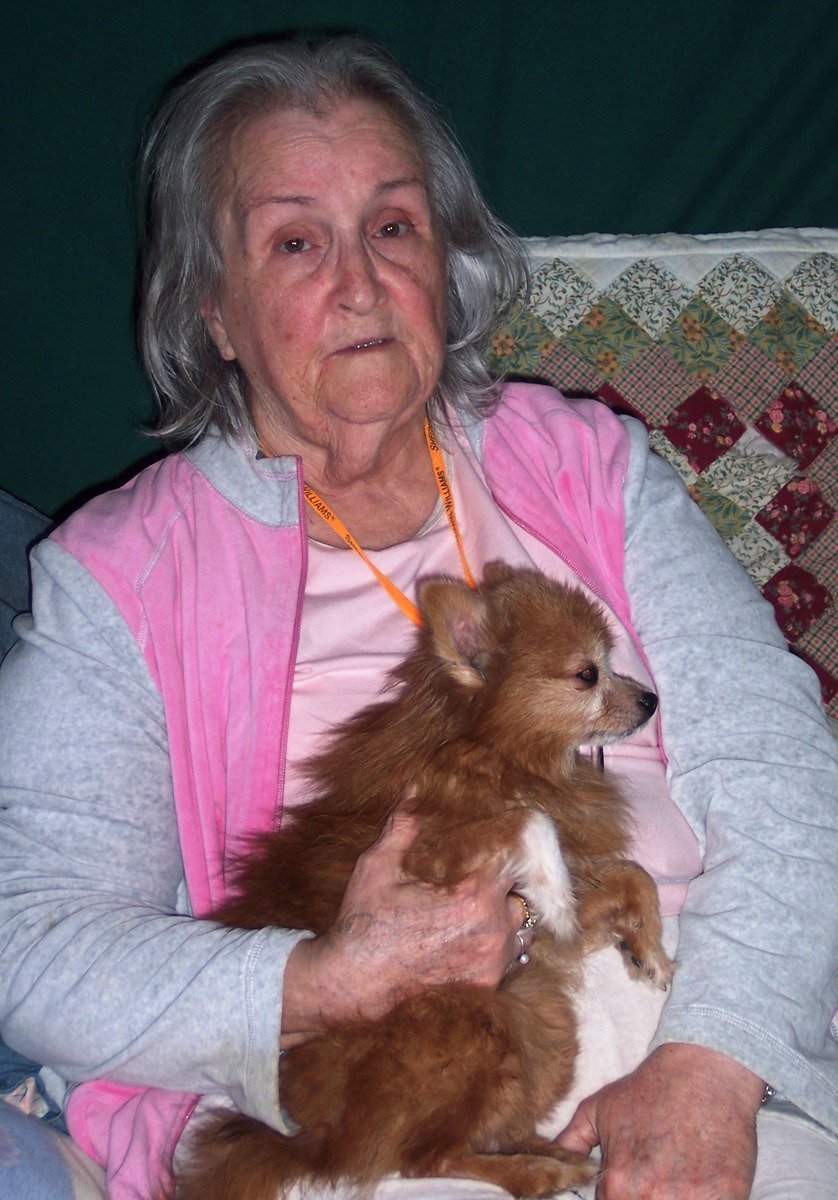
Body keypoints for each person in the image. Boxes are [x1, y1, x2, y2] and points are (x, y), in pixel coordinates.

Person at [0, 34, 835, 1200]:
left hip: (696, 1035)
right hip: (368, 1106)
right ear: (215, 314)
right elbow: (30, 941)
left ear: (443, 266)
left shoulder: (583, 465)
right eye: (296, 242)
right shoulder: (122, 574)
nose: (359, 283)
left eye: (393, 228)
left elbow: (783, 764)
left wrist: (717, 1059)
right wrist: (319, 980)